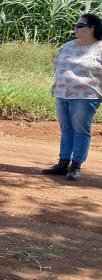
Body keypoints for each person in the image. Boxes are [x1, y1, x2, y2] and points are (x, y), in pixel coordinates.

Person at [41, 13, 102, 181]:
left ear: (92, 29)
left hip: (86, 96)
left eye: (80, 26)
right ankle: (63, 163)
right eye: (76, 25)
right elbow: (57, 67)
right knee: (66, 129)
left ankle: (76, 166)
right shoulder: (68, 46)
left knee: (81, 131)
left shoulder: (100, 48)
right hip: (62, 94)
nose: (75, 28)